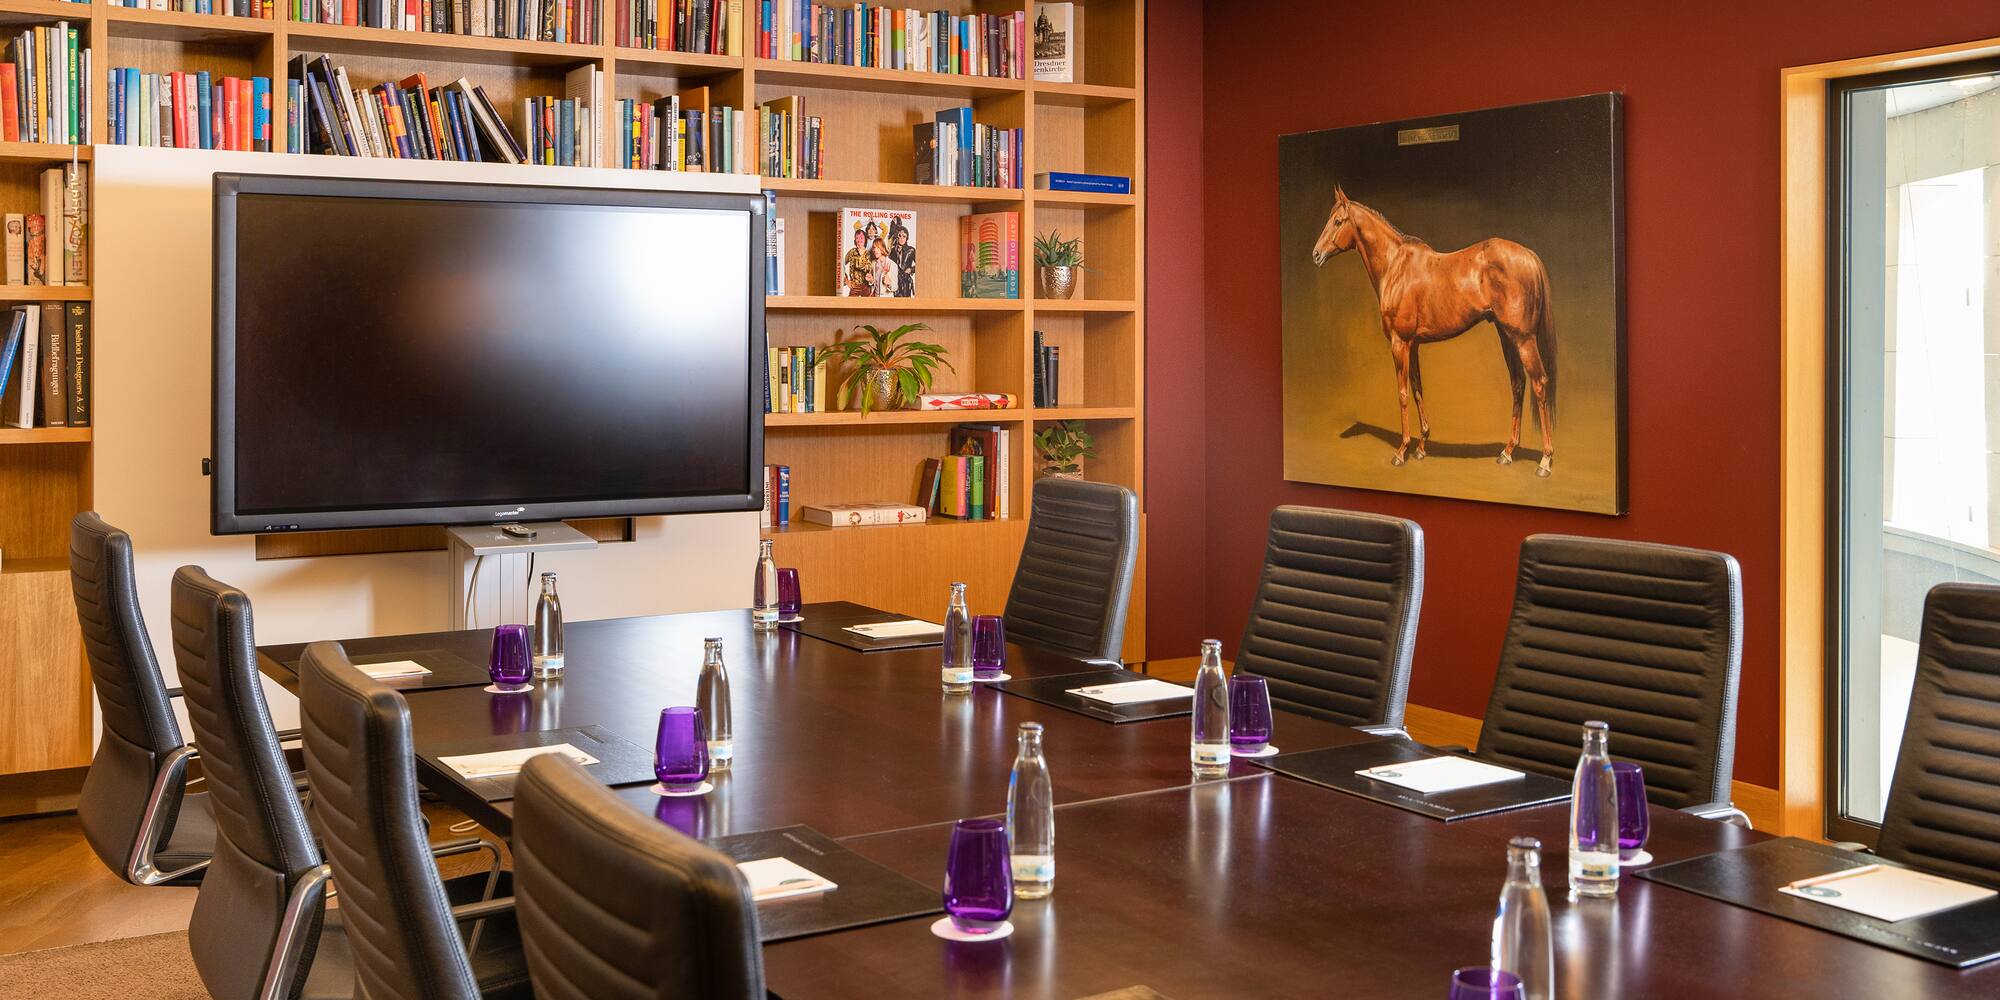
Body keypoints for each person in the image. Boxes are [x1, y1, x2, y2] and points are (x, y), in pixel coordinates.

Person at [889, 220, 916, 297]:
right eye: (899, 236)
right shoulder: (893, 250)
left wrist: (911, 269)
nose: (901, 238)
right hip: (895, 281)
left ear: (907, 238)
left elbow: (921, 265)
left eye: (904, 236)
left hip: (905, 281)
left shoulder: (911, 250)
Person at [843, 226, 873, 296]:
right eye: (857, 238)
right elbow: (840, 264)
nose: (859, 240)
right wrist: (846, 280)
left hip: (866, 286)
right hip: (854, 286)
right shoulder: (852, 252)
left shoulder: (868, 254)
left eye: (861, 238)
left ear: (865, 239)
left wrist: (861, 254)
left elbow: (868, 268)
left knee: (868, 305)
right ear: (855, 240)